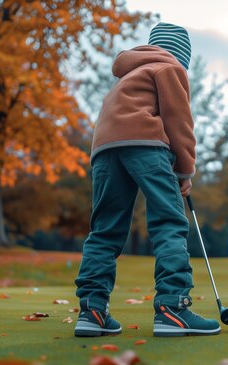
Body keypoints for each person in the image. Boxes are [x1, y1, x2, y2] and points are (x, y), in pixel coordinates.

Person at [74, 22, 220, 337]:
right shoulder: (170, 68)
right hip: (146, 146)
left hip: (104, 150)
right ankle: (173, 308)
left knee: (104, 230)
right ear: (181, 55)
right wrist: (185, 170)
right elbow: (179, 123)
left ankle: (92, 310)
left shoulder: (125, 76)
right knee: (169, 223)